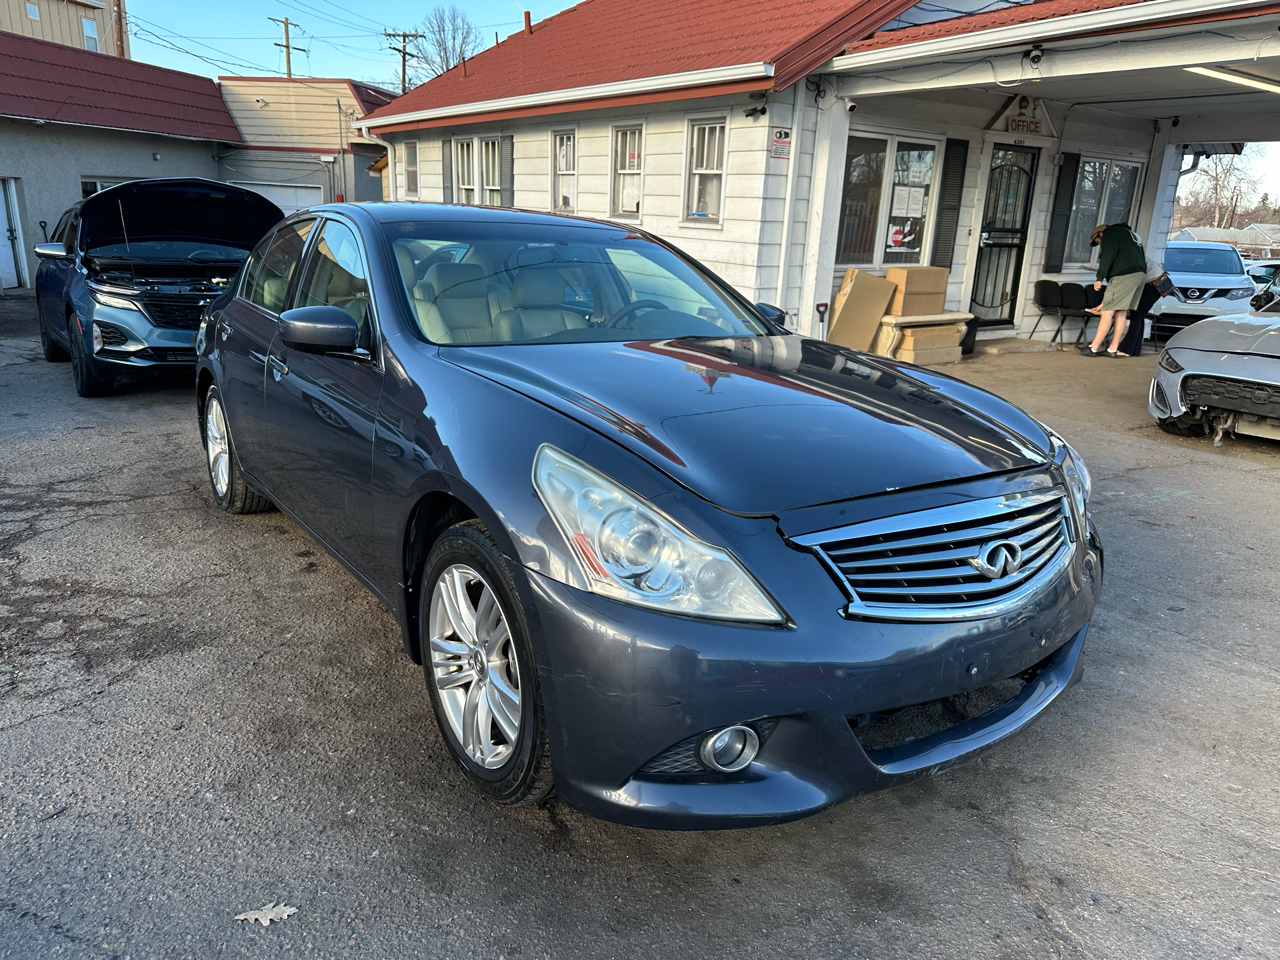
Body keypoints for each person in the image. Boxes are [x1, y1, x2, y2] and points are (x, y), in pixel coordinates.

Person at [1077, 222, 1146, 357]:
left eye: (1098, 242)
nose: (1101, 245)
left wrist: (1099, 278)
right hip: (1140, 275)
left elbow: (1108, 257)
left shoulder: (1110, 234)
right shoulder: (1130, 235)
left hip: (1124, 275)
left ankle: (1093, 348)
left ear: (1100, 234)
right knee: (1120, 312)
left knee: (1107, 312)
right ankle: (1112, 349)